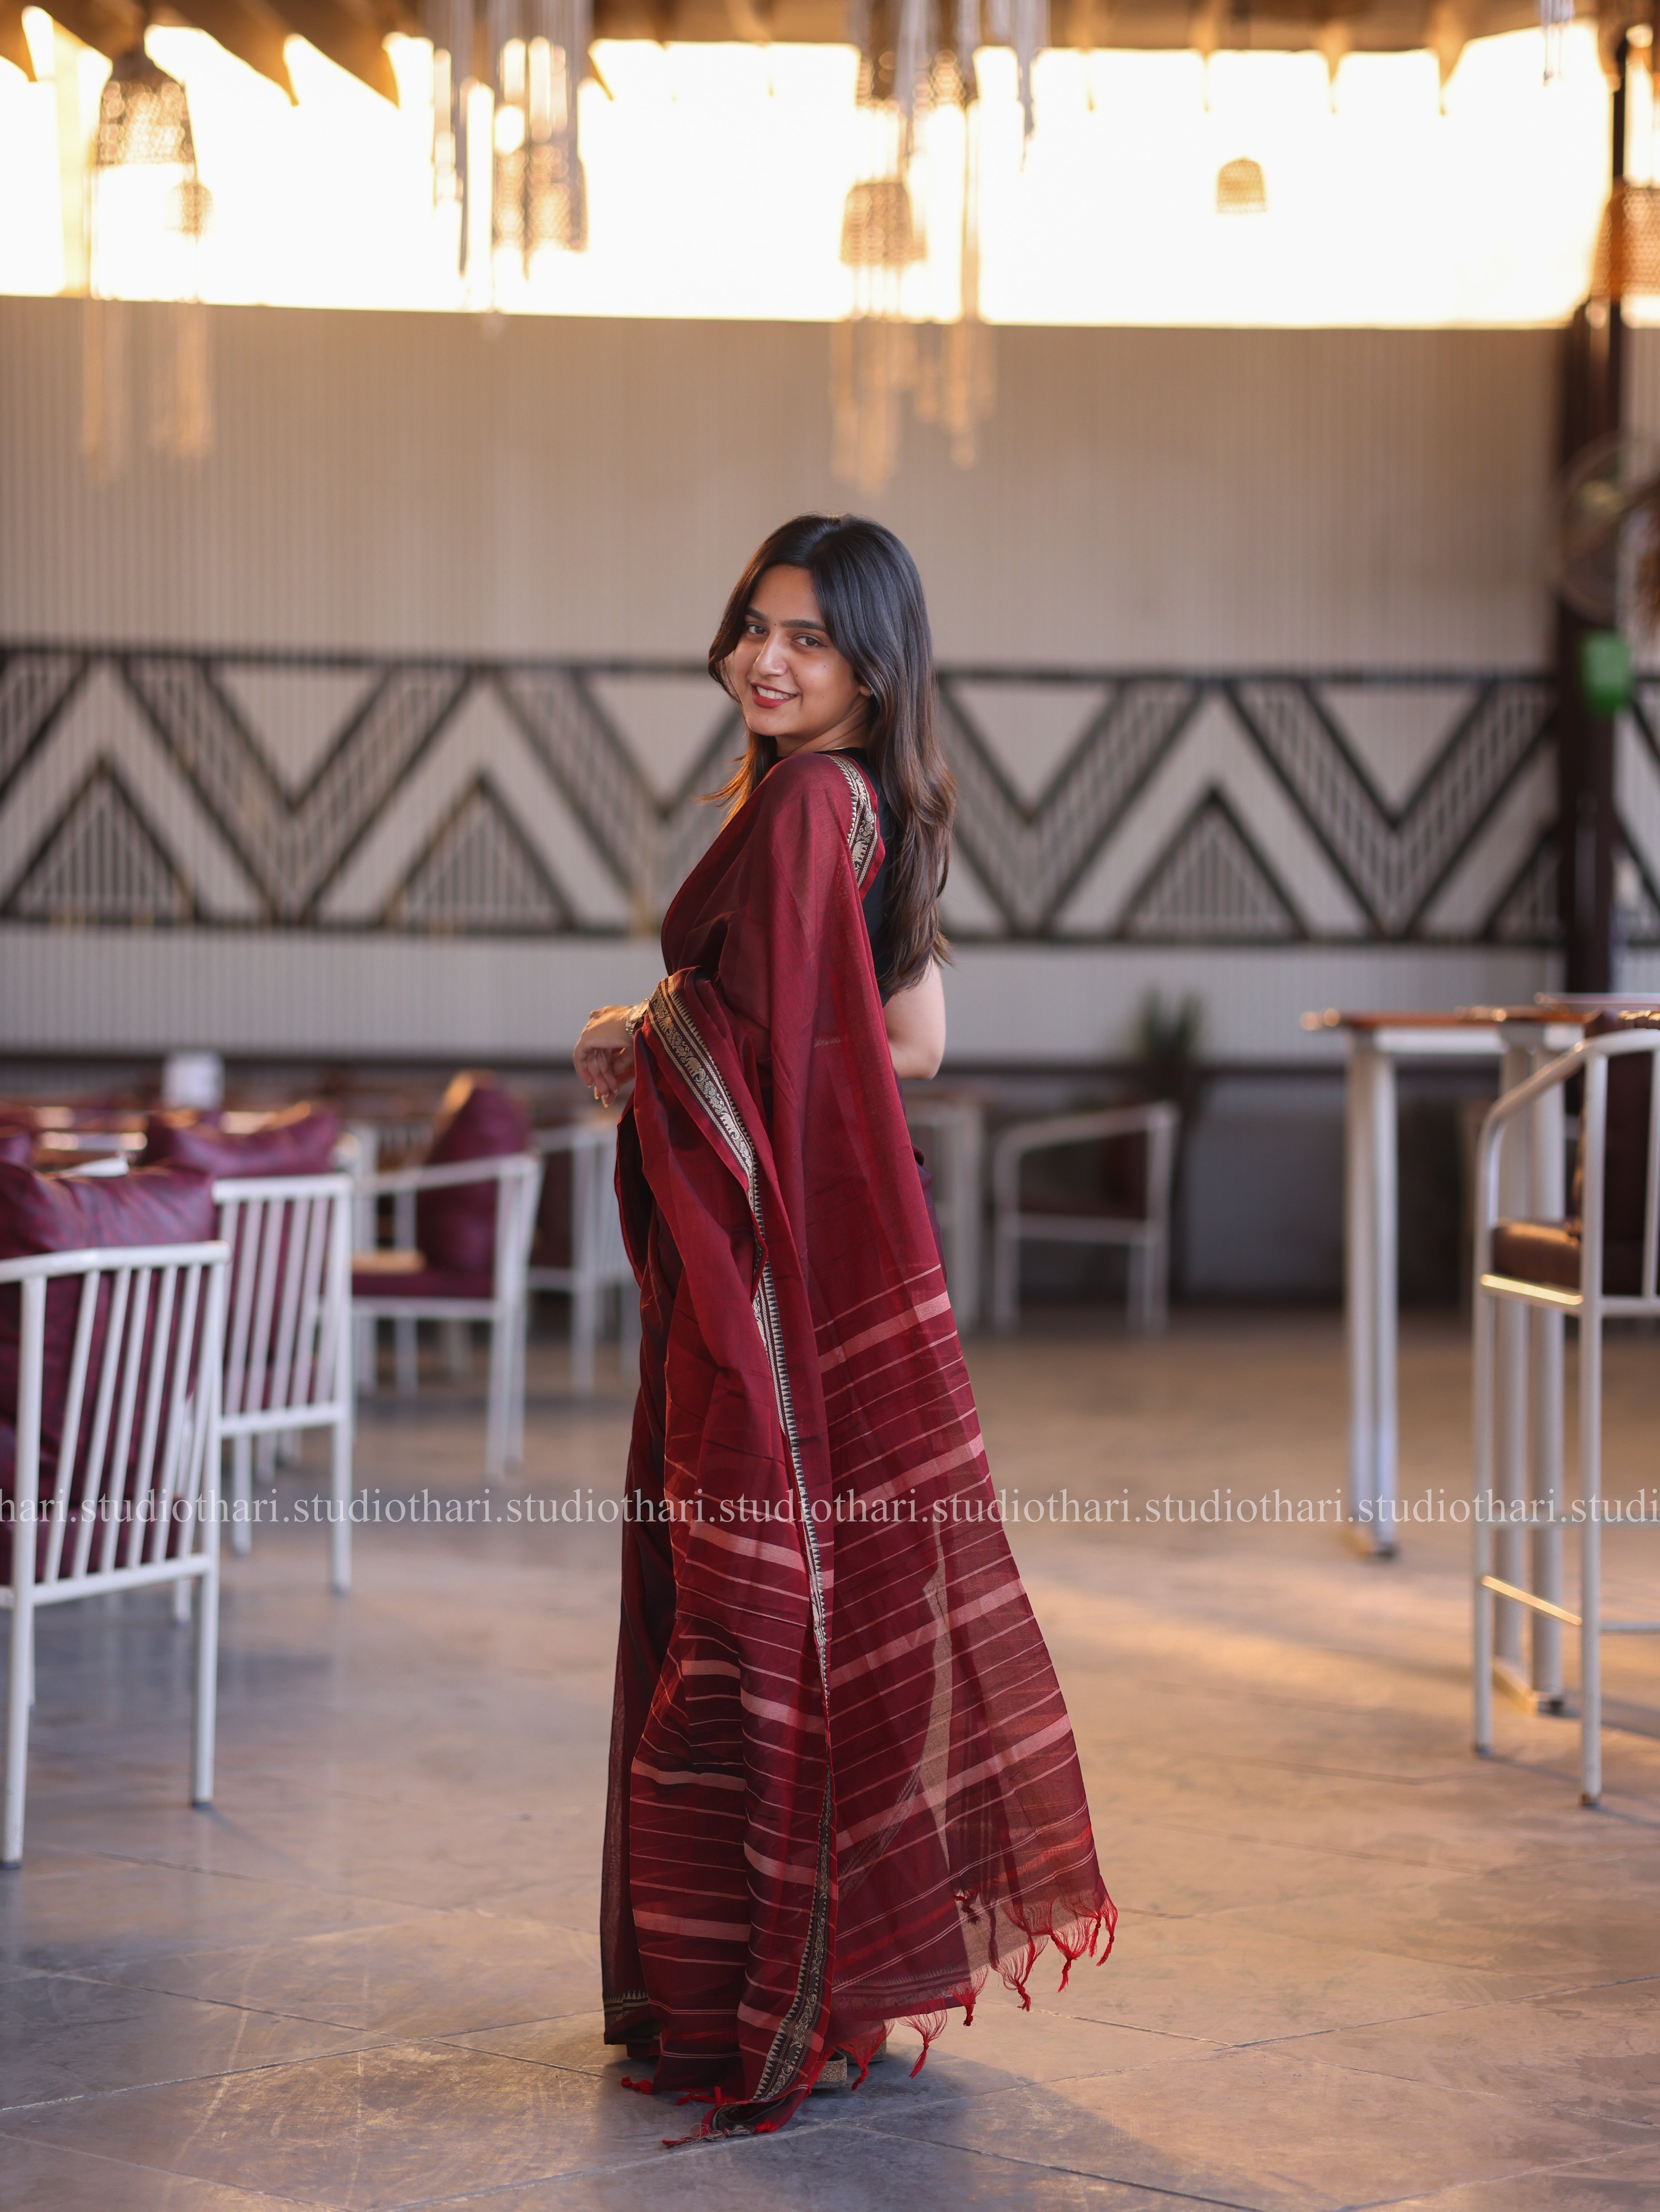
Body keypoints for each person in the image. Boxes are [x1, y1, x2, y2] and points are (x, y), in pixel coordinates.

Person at [574, 514, 1112, 2141]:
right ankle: (825, 1974)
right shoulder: (862, 803)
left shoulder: (813, 798)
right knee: (807, 1595)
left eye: (805, 638)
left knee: (744, 1610)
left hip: (763, 1286)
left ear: (871, 663)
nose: (766, 657)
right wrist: (688, 1033)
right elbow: (914, 1040)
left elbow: (794, 1032)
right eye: (753, 624)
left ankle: (754, 1985)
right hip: (793, 1261)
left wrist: (646, 1028)